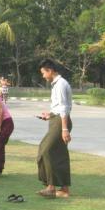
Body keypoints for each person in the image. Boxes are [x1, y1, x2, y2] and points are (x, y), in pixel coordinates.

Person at [36, 59, 73, 198]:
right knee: (60, 154)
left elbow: (64, 108)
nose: (43, 76)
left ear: (50, 71)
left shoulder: (61, 84)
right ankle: (64, 189)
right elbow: (59, 107)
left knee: (45, 150)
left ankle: (51, 187)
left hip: (60, 123)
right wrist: (50, 115)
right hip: (56, 119)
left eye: (43, 73)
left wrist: (64, 129)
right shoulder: (57, 84)